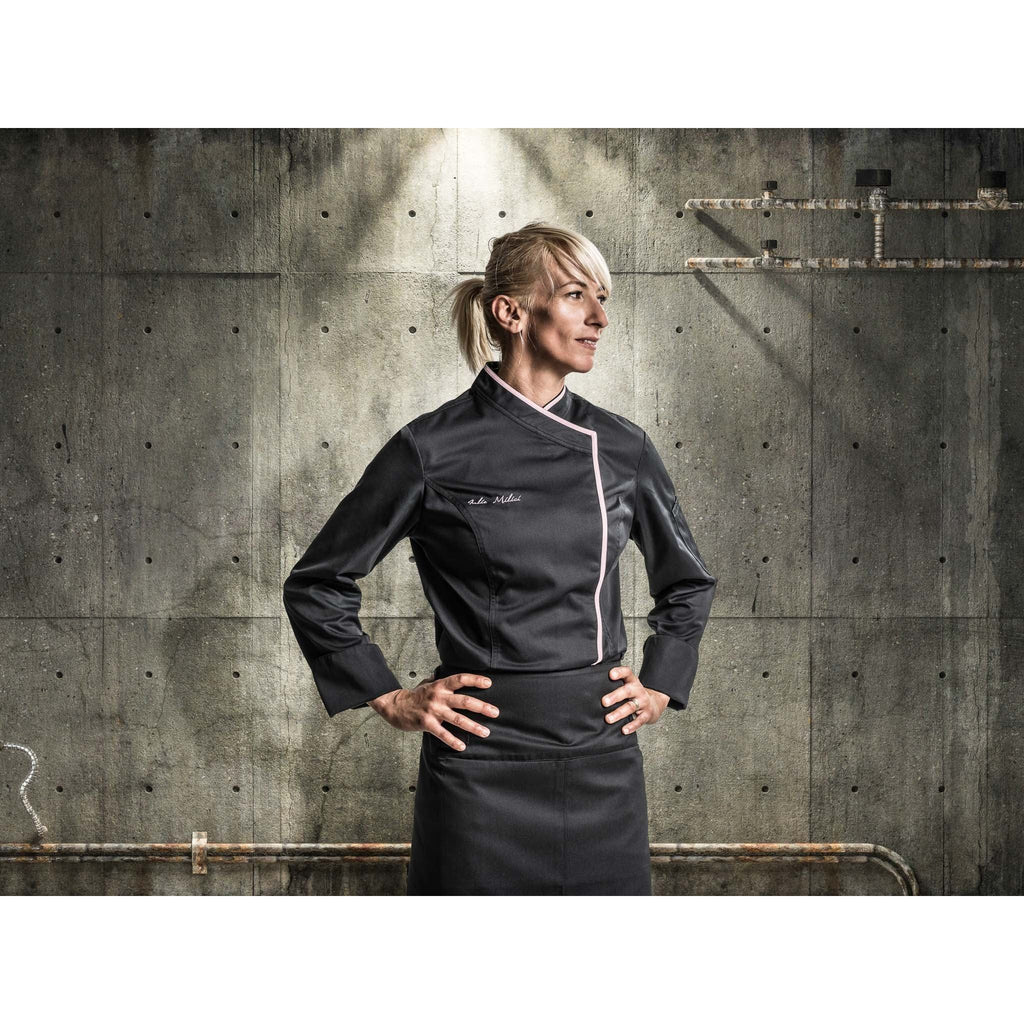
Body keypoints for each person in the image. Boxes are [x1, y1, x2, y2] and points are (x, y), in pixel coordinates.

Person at [282, 221, 717, 895]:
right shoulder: (430, 449)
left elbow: (686, 581)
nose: (600, 318)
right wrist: (387, 695)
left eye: (602, 299)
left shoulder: (623, 448)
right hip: (478, 761)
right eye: (576, 295)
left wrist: (661, 682)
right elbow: (318, 583)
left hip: (598, 754)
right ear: (511, 313)